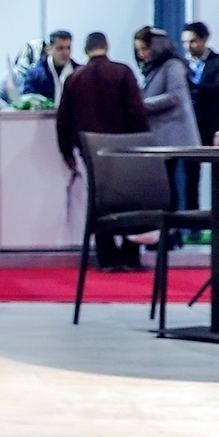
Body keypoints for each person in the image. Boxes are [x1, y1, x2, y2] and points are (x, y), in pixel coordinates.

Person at [55, 32, 150, 270]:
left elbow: (63, 119)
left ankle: (106, 257)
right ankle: (130, 256)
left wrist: (66, 152)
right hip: (124, 147)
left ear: (85, 50)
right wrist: (144, 145)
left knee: (99, 200)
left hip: (91, 150)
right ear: (107, 46)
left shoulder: (75, 78)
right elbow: (136, 112)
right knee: (130, 200)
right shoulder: (123, 72)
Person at [133, 26, 197, 214]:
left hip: (174, 134)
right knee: (164, 184)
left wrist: (141, 105)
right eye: (139, 50)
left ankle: (173, 226)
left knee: (169, 184)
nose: (141, 54)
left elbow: (175, 96)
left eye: (145, 48)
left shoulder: (173, 66)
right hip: (162, 136)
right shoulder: (152, 69)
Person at [179, 21, 219, 213]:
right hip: (191, 125)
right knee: (190, 177)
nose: (188, 46)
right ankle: (191, 222)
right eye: (185, 42)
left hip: (215, 124)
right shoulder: (181, 65)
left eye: (193, 41)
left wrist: (192, 87)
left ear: (204, 39)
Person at [20, 30, 79, 103]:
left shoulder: (79, 73)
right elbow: (28, 99)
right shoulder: (35, 74)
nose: (65, 52)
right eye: (60, 48)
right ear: (49, 49)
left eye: (68, 48)